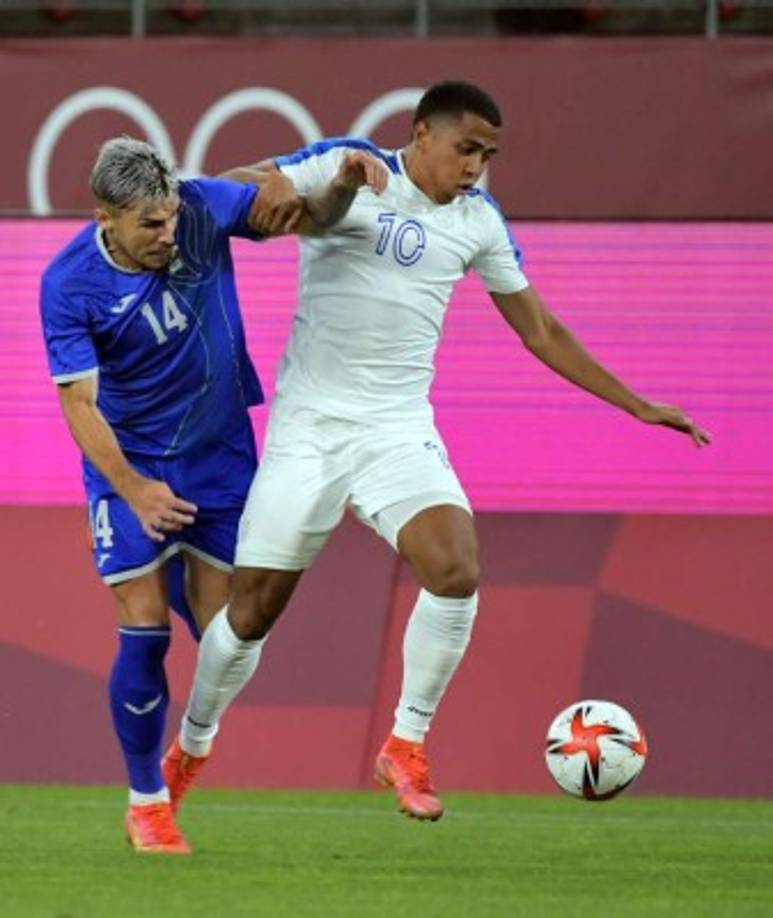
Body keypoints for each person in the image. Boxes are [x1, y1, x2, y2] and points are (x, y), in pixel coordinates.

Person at [165, 81, 711, 825]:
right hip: (309, 429)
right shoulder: (348, 165)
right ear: (422, 134)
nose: (476, 166)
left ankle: (406, 742)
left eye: (488, 155)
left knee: (455, 569)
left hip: (396, 429)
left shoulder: (478, 222)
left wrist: (634, 403)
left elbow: (540, 331)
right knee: (252, 611)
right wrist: (279, 187)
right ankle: (193, 744)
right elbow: (234, 191)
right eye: (466, 149)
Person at [39, 136, 388, 853]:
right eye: (149, 224)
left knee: (230, 639)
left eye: (170, 216)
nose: (168, 233)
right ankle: (147, 802)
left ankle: (188, 708)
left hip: (221, 455)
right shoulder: (69, 283)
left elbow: (308, 216)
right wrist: (134, 490)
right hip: (132, 465)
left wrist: (341, 188)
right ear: (105, 217)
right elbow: (79, 404)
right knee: (144, 629)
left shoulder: (201, 207)